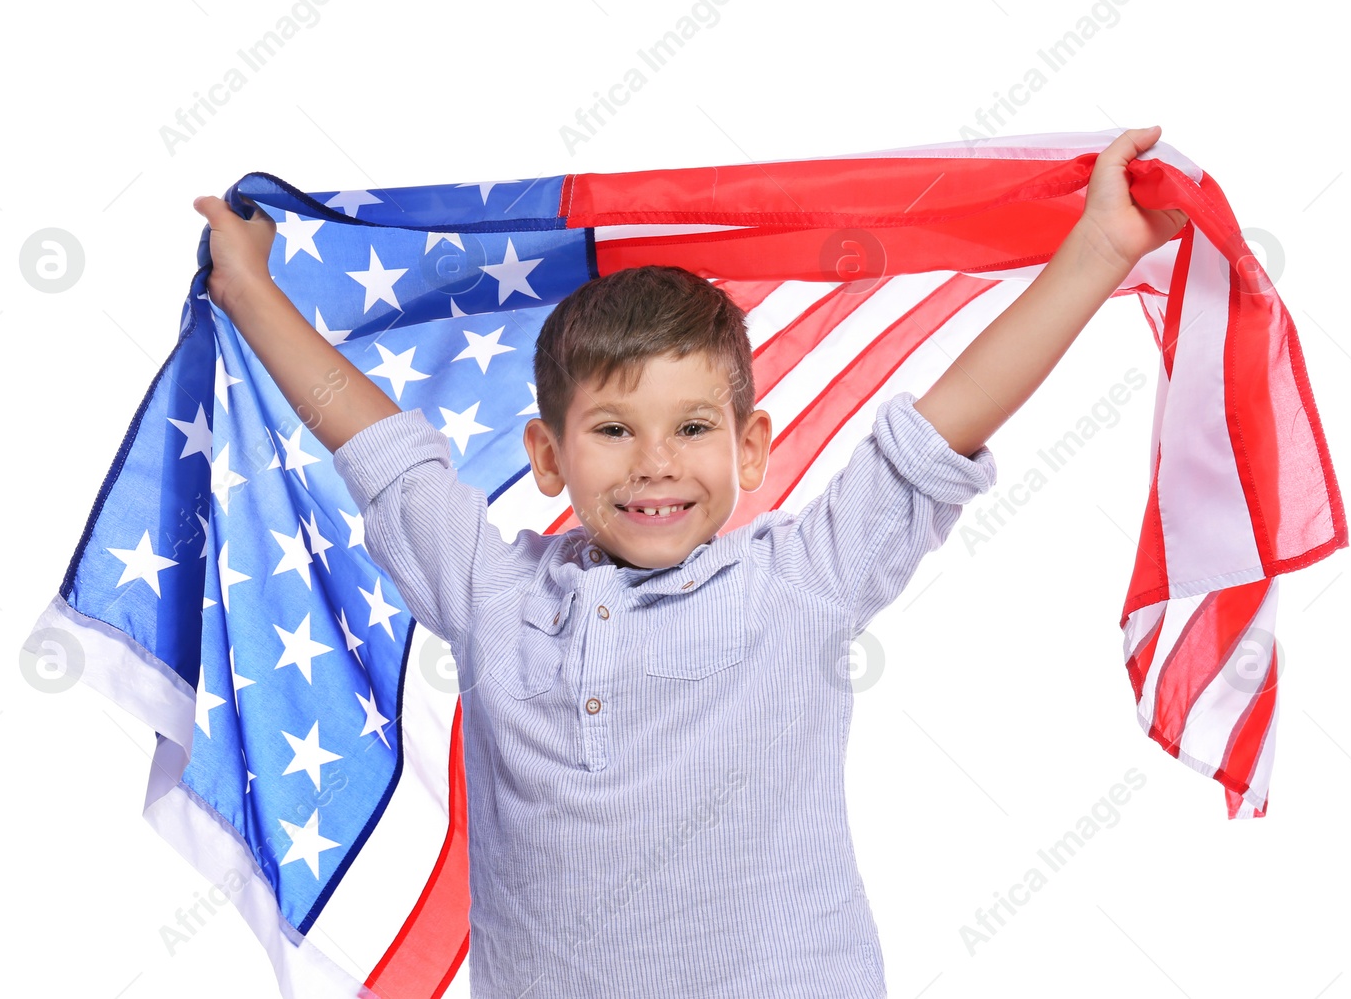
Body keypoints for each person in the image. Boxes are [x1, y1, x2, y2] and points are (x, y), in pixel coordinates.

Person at [193, 126, 1187, 997]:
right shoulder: (494, 594)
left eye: (693, 426)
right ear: (548, 457)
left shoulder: (799, 579)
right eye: (614, 429)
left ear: (750, 447)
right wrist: (249, 292)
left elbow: (942, 423)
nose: (657, 463)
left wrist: (1097, 249)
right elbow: (385, 455)